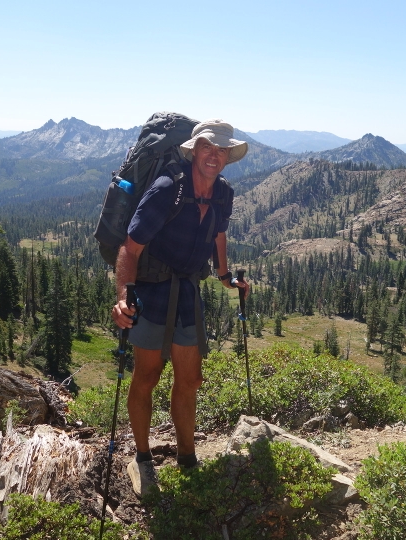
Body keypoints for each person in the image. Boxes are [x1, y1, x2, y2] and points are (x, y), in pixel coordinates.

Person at [111, 119, 250, 497]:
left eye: (222, 150)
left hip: (188, 291)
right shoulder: (167, 189)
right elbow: (131, 246)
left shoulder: (223, 192)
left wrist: (224, 276)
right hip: (153, 291)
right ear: (195, 149)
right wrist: (123, 295)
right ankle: (142, 457)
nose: (215, 155)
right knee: (148, 375)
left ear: (227, 156)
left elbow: (219, 232)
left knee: (189, 380)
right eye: (209, 147)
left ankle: (187, 458)